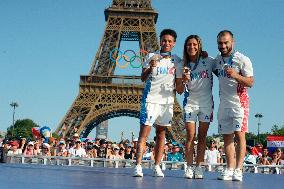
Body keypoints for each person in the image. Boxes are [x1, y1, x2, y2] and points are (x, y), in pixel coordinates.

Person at [133, 28, 183, 177]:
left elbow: (179, 86)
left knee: (161, 134)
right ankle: (138, 165)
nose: (166, 43)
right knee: (144, 134)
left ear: (173, 44)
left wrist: (185, 80)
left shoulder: (177, 61)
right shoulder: (150, 56)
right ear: (160, 41)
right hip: (151, 99)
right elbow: (142, 78)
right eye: (164, 40)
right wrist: (150, 68)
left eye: (169, 41)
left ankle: (157, 165)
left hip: (167, 102)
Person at [214, 30, 254, 182]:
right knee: (227, 138)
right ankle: (230, 168)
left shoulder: (242, 59)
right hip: (224, 104)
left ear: (233, 42)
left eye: (226, 42)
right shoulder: (217, 60)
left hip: (239, 103)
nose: (223, 45)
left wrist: (236, 75)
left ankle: (238, 169)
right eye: (220, 43)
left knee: (240, 135)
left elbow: (250, 82)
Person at [181, 35, 215, 179]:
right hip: (190, 102)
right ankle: (189, 167)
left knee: (202, 137)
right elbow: (179, 90)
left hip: (206, 102)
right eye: (189, 44)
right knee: (190, 136)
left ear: (199, 45)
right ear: (185, 47)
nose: (192, 47)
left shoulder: (209, 61)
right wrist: (183, 79)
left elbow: (223, 70)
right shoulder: (182, 64)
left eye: (195, 44)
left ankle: (199, 167)